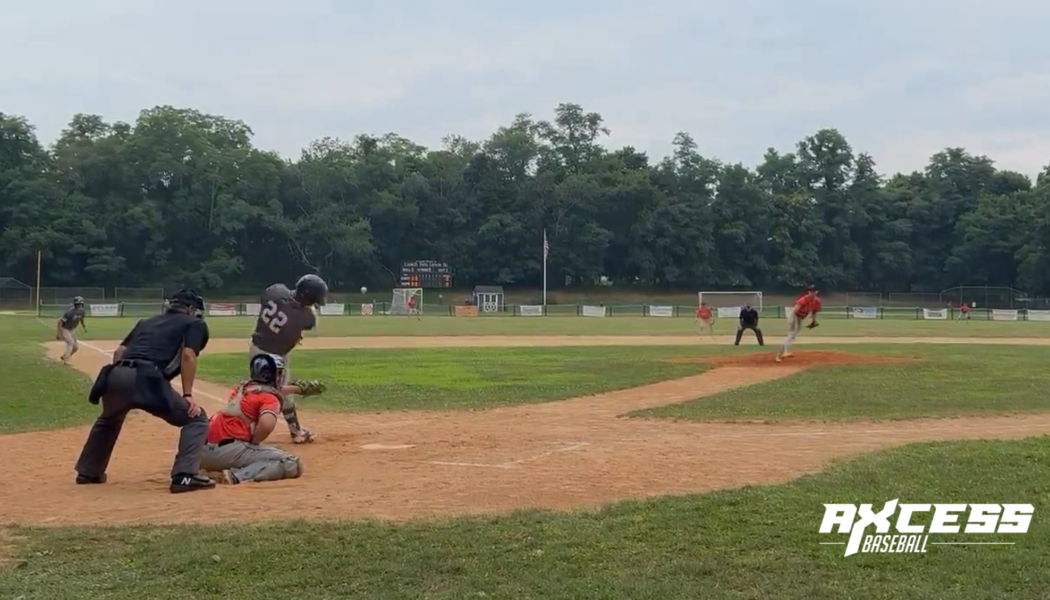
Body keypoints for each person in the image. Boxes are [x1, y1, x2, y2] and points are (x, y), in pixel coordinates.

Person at [74, 289, 215, 493]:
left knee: (109, 419)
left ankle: (88, 472)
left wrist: (124, 387)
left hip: (115, 374)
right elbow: (188, 356)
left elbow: (120, 352)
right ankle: (185, 477)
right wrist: (187, 395)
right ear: (191, 309)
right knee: (196, 418)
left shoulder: (145, 322)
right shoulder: (194, 324)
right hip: (146, 377)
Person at [201, 354, 326, 485]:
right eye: (279, 373)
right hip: (228, 452)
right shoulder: (269, 398)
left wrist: (298, 389)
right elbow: (266, 425)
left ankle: (208, 470)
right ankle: (236, 476)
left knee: (273, 451)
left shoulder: (241, 389)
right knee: (291, 463)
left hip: (202, 452)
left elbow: (265, 389)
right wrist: (255, 441)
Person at [249, 274, 328, 444]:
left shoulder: (276, 290)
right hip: (275, 357)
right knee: (271, 394)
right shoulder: (304, 318)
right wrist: (298, 388)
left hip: (257, 348)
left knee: (265, 392)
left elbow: (269, 299)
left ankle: (295, 431)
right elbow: (305, 323)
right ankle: (250, 434)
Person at [776, 285, 821, 362]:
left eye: (813, 291)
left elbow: (814, 312)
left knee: (792, 334)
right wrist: (797, 322)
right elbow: (795, 311)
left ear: (816, 292)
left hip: (799, 317)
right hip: (794, 316)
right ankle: (779, 355)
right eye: (810, 291)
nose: (811, 293)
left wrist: (813, 321)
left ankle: (785, 352)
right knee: (791, 335)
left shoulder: (817, 301)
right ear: (808, 292)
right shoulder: (803, 300)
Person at [57, 296, 87, 363]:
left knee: (75, 347)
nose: (79, 306)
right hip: (65, 329)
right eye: (77, 304)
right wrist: (59, 333)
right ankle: (65, 361)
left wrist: (83, 326)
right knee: (70, 342)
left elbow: (81, 319)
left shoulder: (82, 311)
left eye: (80, 304)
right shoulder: (70, 312)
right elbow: (60, 322)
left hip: (72, 330)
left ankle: (65, 356)